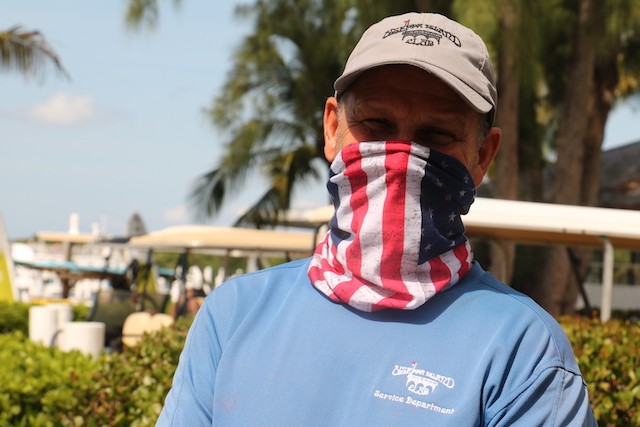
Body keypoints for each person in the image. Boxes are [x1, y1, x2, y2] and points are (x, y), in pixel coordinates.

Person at [157, 12, 597, 426]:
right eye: (376, 124)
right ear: (332, 128)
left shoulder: (523, 352)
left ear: (482, 156)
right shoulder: (234, 315)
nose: (400, 155)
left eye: (436, 135)